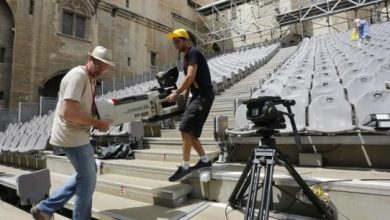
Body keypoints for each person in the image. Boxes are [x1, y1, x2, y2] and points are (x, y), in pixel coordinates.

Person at [31, 46, 114, 220]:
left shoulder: (90, 79)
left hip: (78, 135)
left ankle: (44, 209)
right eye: (98, 64)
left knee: (86, 174)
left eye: (104, 66)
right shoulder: (78, 76)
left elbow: (81, 108)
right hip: (72, 138)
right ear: (89, 59)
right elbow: (68, 112)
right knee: (88, 182)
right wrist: (97, 123)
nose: (101, 69)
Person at [166, 28, 215, 182]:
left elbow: (190, 76)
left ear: (186, 41)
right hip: (197, 96)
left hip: (204, 96)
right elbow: (191, 81)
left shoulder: (193, 52)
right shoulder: (185, 57)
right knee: (190, 132)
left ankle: (185, 166)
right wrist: (184, 101)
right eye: (174, 42)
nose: (175, 44)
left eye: (178, 41)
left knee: (185, 128)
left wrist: (177, 93)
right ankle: (205, 160)